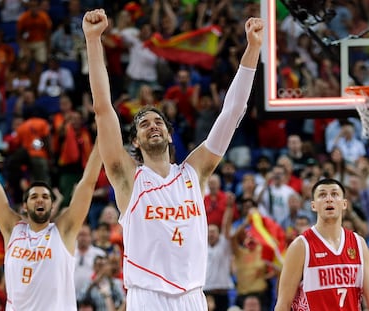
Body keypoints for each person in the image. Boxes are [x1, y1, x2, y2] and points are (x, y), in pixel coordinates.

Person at [83, 8, 264, 311]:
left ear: (169, 135)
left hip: (193, 295)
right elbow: (103, 109)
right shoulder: (128, 177)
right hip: (147, 296)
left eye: (158, 122)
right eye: (143, 124)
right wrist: (93, 40)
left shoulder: (195, 171)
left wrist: (253, 49)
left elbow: (231, 113)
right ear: (136, 142)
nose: (152, 125)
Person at [0, 106, 103, 310]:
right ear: (25, 206)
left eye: (45, 197)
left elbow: (87, 183)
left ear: (53, 206)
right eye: (34, 197)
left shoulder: (63, 231)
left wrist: (100, 139)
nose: (40, 200)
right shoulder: (12, 229)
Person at [274, 178, 369, 311]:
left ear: (344, 204)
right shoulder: (301, 246)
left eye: (335, 194)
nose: (329, 199)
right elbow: (283, 304)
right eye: (322, 195)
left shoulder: (359, 244)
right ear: (313, 205)